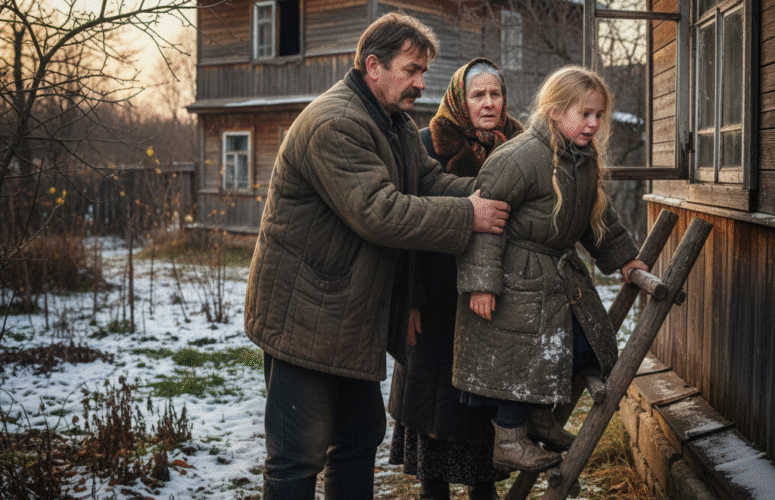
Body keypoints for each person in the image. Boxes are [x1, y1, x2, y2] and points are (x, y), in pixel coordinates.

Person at [243, 13, 512, 500]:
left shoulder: (394, 123)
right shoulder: (336, 123)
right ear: (373, 66)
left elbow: (428, 181)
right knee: (297, 455)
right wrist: (468, 216)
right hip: (302, 318)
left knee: (357, 439)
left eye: (423, 71)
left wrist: (494, 192)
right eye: (411, 70)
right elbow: (379, 212)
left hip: (348, 315)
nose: (421, 83)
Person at [453, 65, 649, 473]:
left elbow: (596, 217)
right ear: (556, 112)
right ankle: (508, 441)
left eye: (599, 115)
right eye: (585, 114)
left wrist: (624, 258)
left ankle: (541, 420)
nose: (594, 124)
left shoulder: (581, 159)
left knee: (571, 343)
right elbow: (484, 222)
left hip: (555, 272)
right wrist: (481, 284)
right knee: (519, 358)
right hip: (515, 277)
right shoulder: (521, 157)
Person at [387, 58, 523, 500]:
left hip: (495, 294)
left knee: (484, 401)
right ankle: (434, 488)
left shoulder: (520, 144)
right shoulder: (426, 143)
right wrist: (410, 299)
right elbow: (405, 224)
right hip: (435, 294)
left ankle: (484, 488)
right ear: (459, 100)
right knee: (435, 401)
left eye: (495, 94)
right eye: (477, 94)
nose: (488, 103)